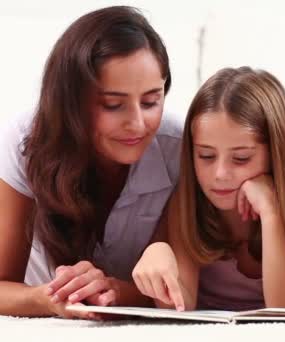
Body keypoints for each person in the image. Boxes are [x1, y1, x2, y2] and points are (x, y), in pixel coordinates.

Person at [0, 6, 181, 318]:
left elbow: (175, 289)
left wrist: (112, 291)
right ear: (71, 102)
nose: (137, 124)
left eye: (152, 101)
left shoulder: (178, 147)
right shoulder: (24, 139)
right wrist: (46, 299)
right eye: (113, 105)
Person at [132, 67, 285, 311]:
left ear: (275, 155)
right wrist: (157, 253)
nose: (220, 174)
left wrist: (271, 212)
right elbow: (180, 308)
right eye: (206, 155)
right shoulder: (190, 206)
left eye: (241, 158)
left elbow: (283, 309)